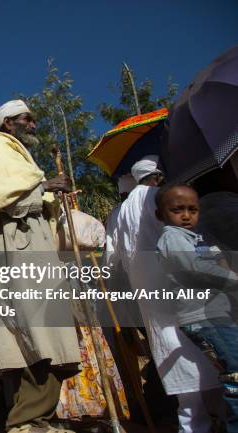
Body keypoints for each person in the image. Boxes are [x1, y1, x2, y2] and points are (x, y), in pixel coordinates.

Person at [0, 100, 81, 433]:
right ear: (9, 123)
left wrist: (48, 196)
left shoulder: (14, 152)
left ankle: (34, 419)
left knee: (40, 333)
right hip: (15, 251)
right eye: (28, 118)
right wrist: (47, 188)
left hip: (29, 250)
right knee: (35, 334)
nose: (34, 124)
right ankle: (26, 420)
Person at [117, 157, 222, 433]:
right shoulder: (161, 198)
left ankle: (193, 420)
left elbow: (112, 257)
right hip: (175, 278)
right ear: (157, 177)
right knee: (196, 344)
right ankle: (209, 417)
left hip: (143, 284)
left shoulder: (121, 209)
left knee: (168, 345)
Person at [155, 183, 238, 433]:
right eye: (177, 210)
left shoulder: (197, 239)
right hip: (204, 317)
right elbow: (196, 267)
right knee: (235, 375)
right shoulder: (172, 237)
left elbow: (216, 262)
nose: (186, 215)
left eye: (193, 209)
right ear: (161, 215)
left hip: (216, 314)